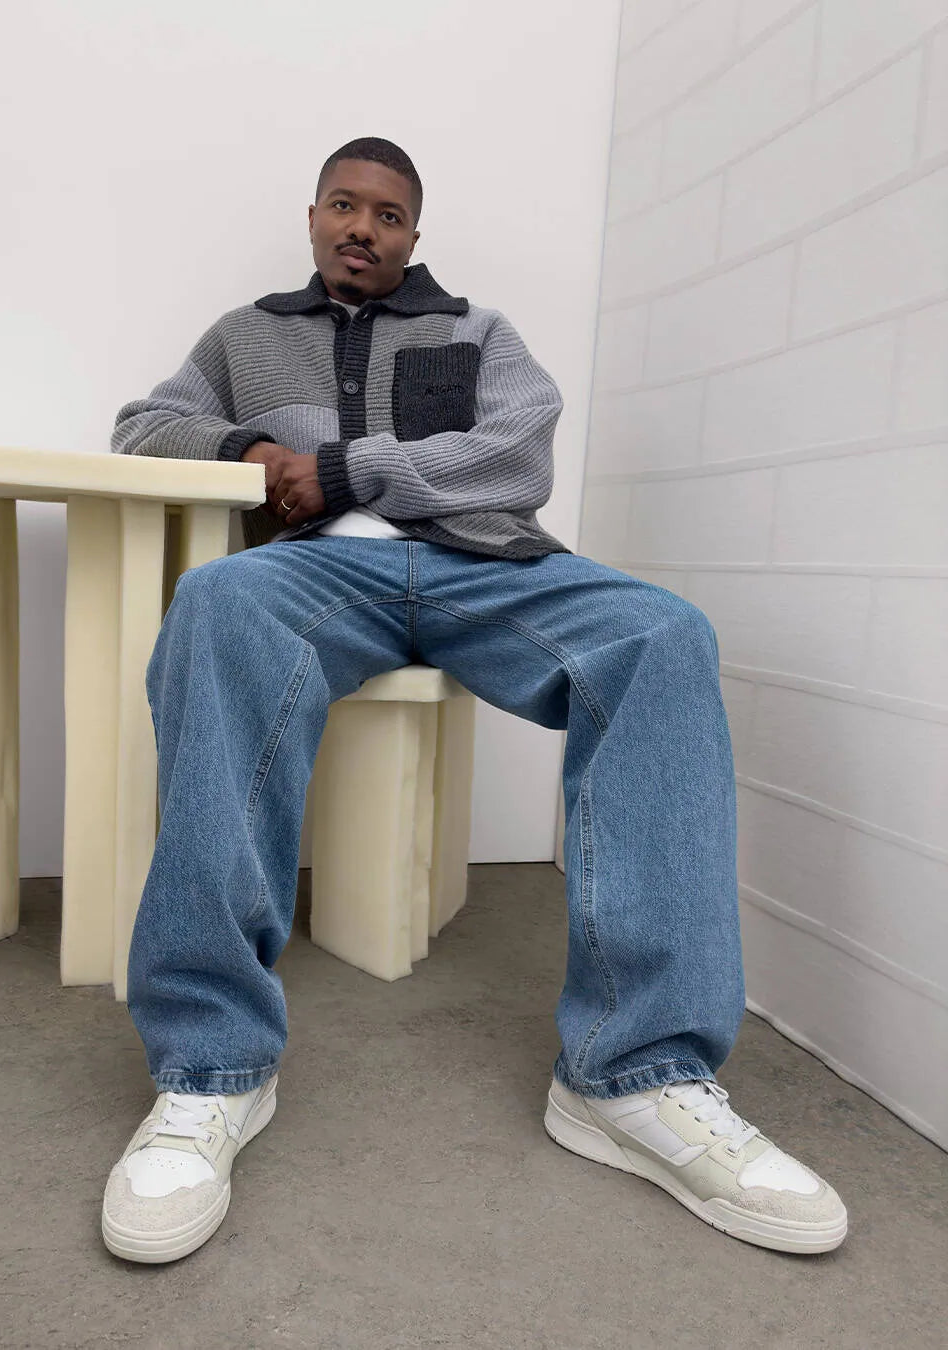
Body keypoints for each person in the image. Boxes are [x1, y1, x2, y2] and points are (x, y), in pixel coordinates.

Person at [101, 137, 847, 1263]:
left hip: (486, 566)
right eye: (344, 205)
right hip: (318, 573)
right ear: (314, 216)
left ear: (413, 234)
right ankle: (213, 1068)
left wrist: (344, 470)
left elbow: (518, 456)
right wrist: (250, 446)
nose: (363, 226)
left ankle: (634, 1074)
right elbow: (142, 426)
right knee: (214, 604)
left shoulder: (477, 331)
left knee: (663, 635)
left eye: (388, 214)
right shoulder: (244, 335)